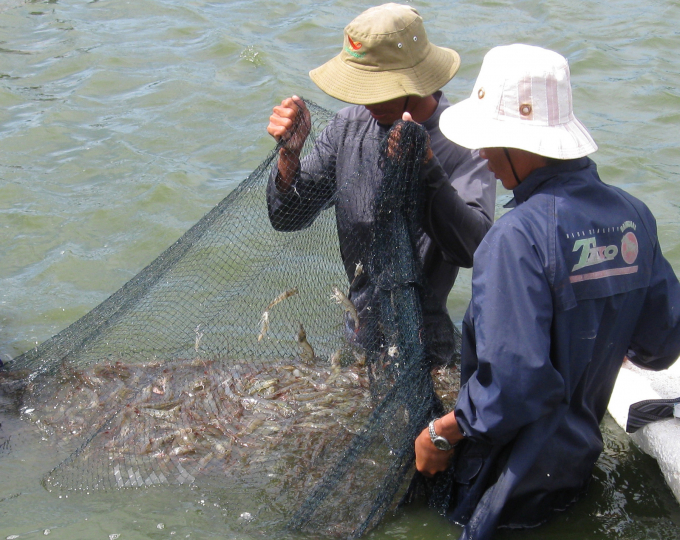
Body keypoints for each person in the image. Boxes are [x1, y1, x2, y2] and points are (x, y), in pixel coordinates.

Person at [413, 43, 680, 539]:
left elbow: (513, 389)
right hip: (574, 470)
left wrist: (441, 432)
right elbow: (662, 343)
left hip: (498, 492)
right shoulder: (634, 217)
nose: (480, 154)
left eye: (490, 139)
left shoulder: (513, 240)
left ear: (523, 145)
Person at [265, 3, 496, 367]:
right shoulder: (348, 127)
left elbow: (478, 248)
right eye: (361, 88)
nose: (367, 100)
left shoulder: (461, 143)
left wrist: (427, 169)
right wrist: (289, 157)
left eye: (378, 89)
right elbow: (287, 216)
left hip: (426, 344)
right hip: (358, 332)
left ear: (416, 81)